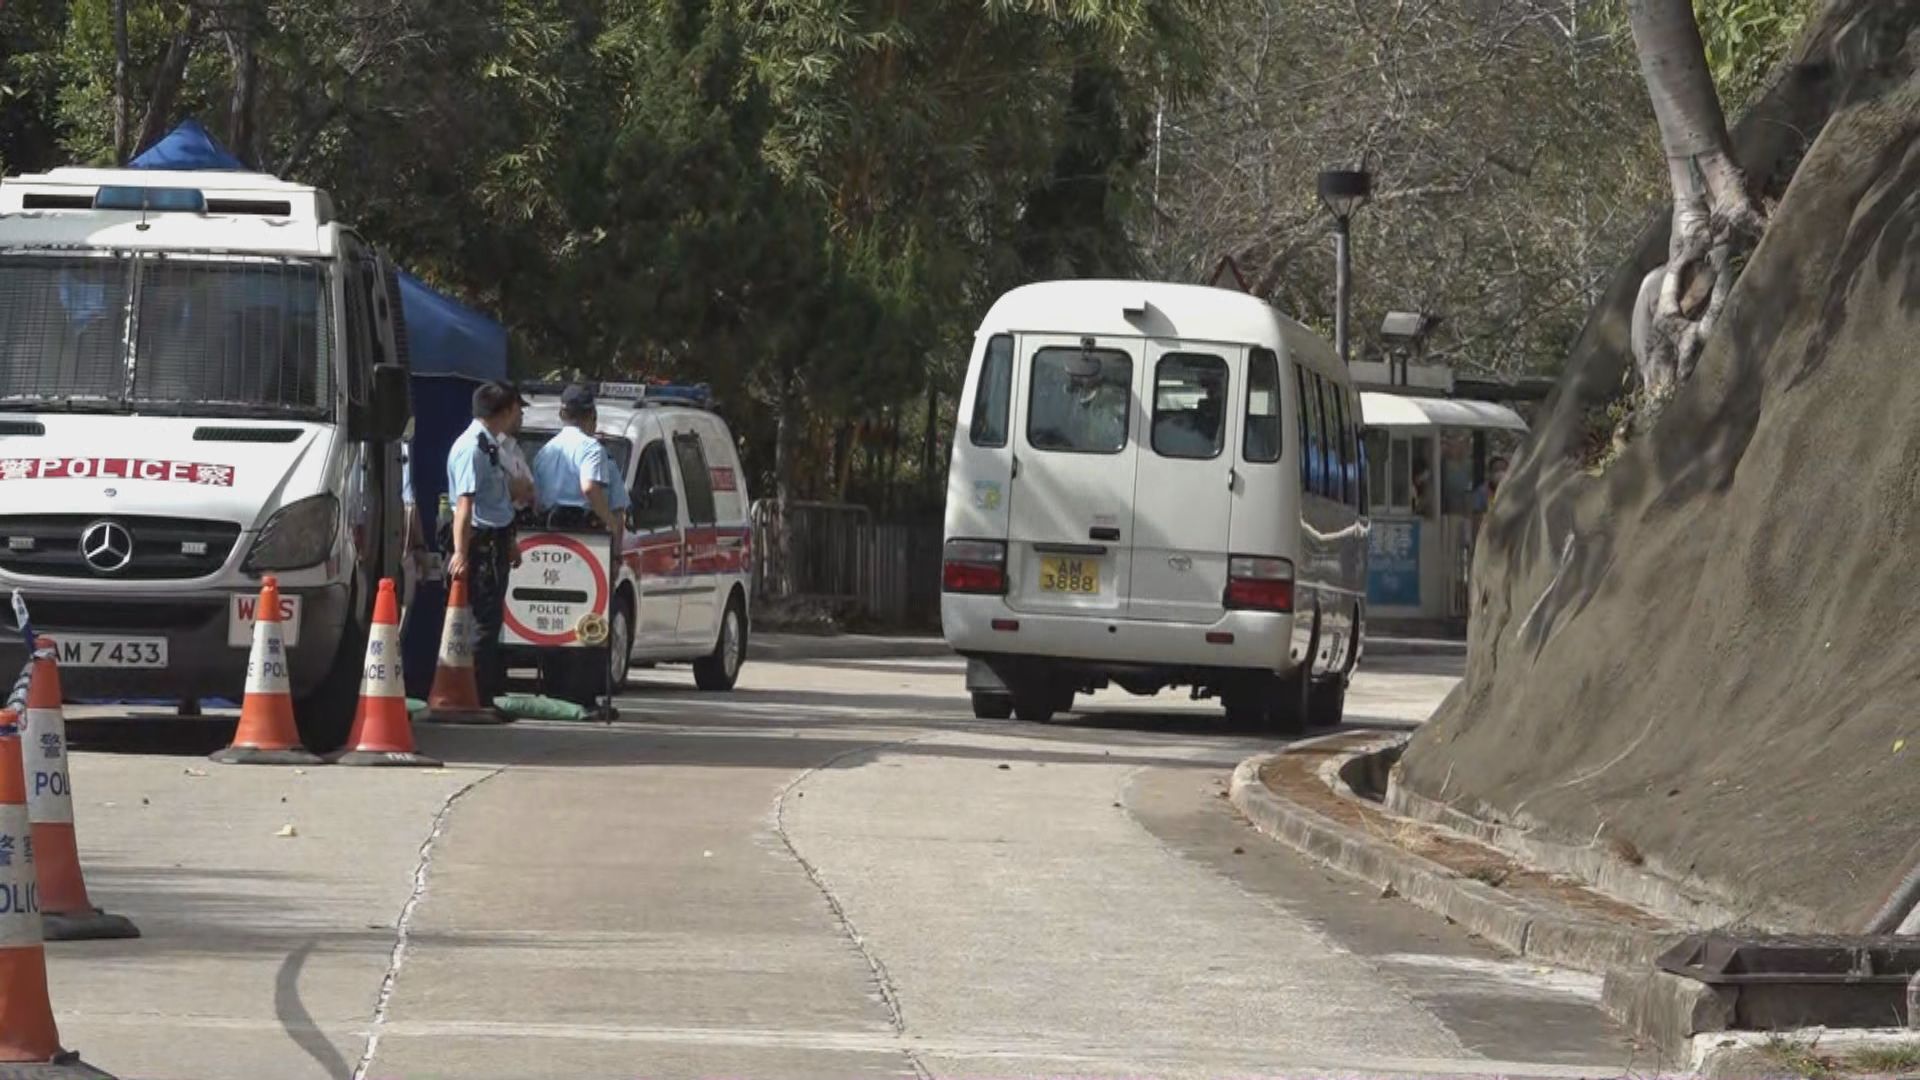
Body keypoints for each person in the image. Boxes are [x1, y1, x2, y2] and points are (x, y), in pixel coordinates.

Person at [446, 380, 527, 701]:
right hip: (480, 544)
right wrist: (461, 552)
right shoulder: (471, 448)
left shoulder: (489, 445)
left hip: (495, 539)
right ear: (505, 411)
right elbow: (465, 504)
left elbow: (495, 500)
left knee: (491, 621)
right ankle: (477, 696)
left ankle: (487, 693)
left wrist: (510, 541)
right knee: (482, 623)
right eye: (516, 409)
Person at [532, 384, 629, 550]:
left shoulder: (544, 452)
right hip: (587, 538)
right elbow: (590, 488)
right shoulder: (592, 448)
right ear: (592, 415)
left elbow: (536, 502)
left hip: (548, 538)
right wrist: (611, 523)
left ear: (562, 414)